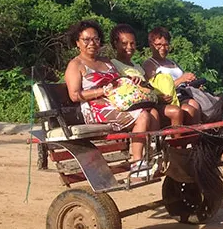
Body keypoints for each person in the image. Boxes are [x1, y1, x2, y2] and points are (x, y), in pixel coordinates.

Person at [63, 19, 157, 174]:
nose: (92, 43)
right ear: (77, 43)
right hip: (96, 108)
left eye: (96, 39)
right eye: (86, 40)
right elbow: (75, 95)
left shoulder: (106, 61)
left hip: (116, 101)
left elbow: (118, 81)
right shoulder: (76, 65)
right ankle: (137, 163)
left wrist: (131, 81)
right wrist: (102, 91)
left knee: (152, 112)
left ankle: (151, 156)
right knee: (143, 117)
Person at [109, 23, 185, 127]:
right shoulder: (113, 64)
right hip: (130, 105)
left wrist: (159, 97)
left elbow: (148, 87)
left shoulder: (137, 66)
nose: (129, 47)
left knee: (156, 112)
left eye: (132, 43)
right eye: (124, 43)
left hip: (147, 102)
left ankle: (160, 142)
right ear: (115, 44)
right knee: (170, 111)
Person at [143, 27, 201, 124]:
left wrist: (193, 82)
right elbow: (156, 88)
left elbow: (184, 80)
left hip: (183, 94)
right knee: (189, 109)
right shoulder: (149, 64)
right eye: (158, 45)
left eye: (166, 45)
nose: (163, 48)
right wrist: (181, 80)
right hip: (168, 100)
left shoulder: (172, 62)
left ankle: (200, 135)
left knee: (195, 104)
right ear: (151, 45)